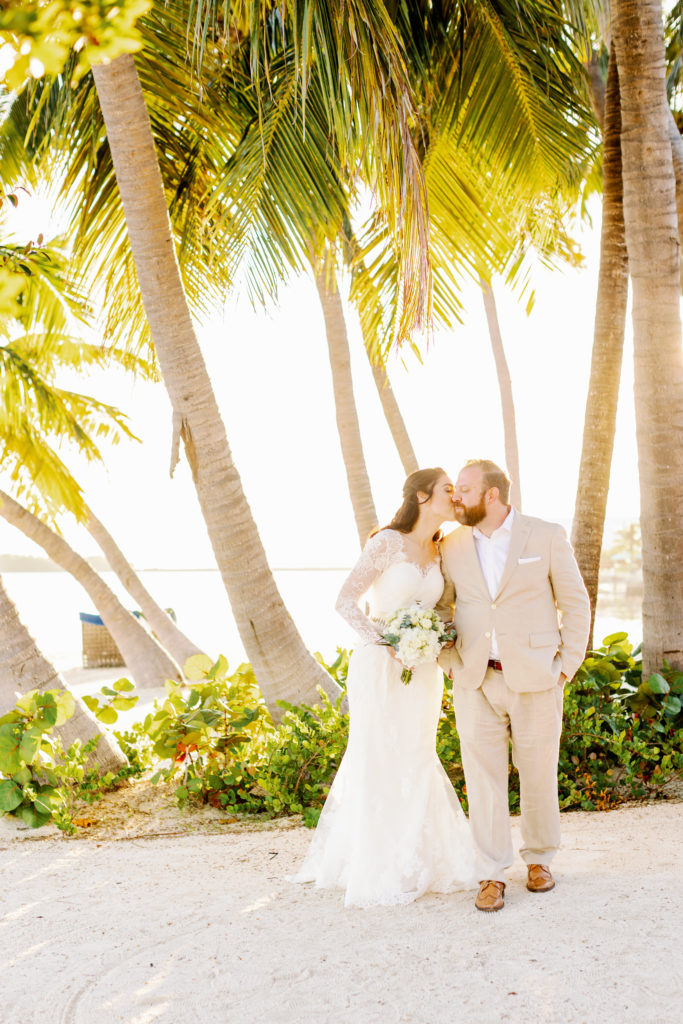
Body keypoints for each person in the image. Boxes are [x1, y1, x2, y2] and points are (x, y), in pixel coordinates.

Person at [293, 468, 476, 908]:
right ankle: (378, 860)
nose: (454, 497)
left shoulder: (442, 549)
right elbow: (344, 602)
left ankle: (419, 854)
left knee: (416, 753)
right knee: (378, 752)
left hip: (423, 669)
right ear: (421, 496)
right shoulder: (386, 542)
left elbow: (445, 608)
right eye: (446, 490)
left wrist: (437, 635)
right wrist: (386, 641)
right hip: (379, 664)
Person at [437, 459, 591, 912]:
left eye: (464, 489)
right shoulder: (452, 544)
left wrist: (567, 665)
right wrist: (449, 662)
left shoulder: (544, 535)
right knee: (482, 779)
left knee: (538, 771)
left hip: (537, 678)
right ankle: (490, 872)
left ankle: (540, 860)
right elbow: (442, 608)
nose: (456, 497)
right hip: (474, 678)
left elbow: (575, 603)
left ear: (492, 495)